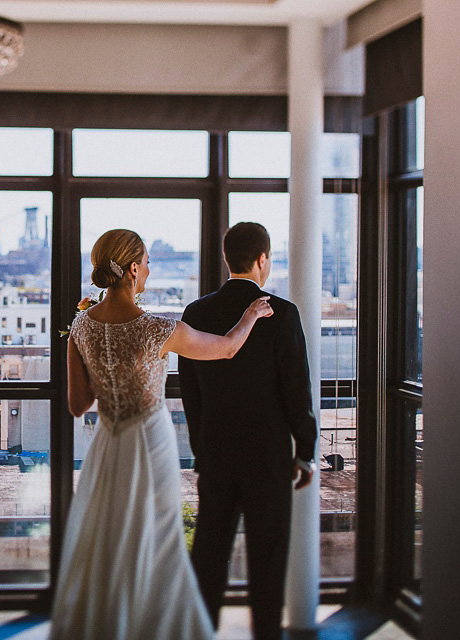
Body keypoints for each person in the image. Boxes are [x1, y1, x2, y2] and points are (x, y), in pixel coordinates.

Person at [50, 229, 273, 640]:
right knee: (158, 537)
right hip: (149, 441)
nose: (149, 271)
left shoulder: (80, 326)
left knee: (108, 537)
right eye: (148, 263)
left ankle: (108, 623)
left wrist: (107, 367)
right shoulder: (155, 329)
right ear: (133, 269)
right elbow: (225, 348)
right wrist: (251, 316)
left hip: (108, 442)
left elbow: (78, 405)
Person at [179, 222, 317, 640]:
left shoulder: (197, 313)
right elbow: (297, 390)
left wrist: (202, 447)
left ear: (226, 258)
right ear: (262, 259)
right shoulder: (282, 313)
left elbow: (191, 394)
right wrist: (305, 450)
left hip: (217, 452)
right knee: (268, 558)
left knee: (209, 554)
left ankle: (202, 632)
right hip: (269, 455)